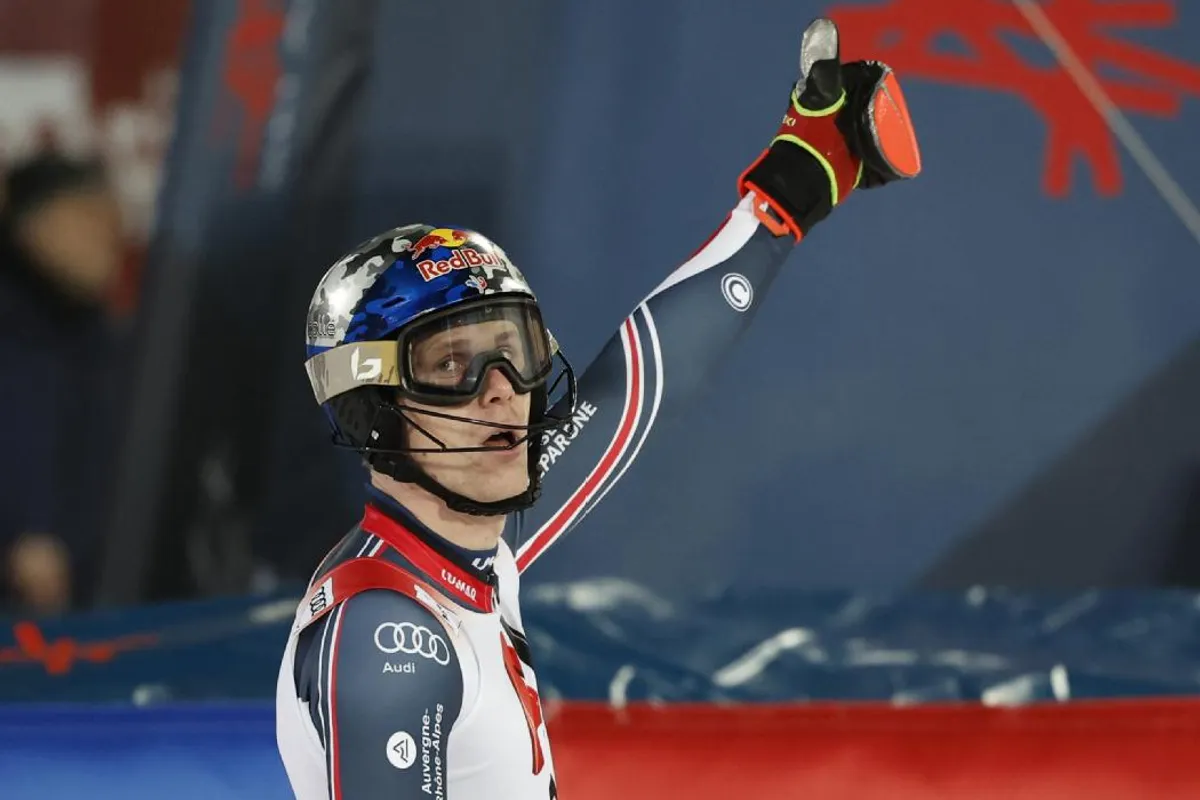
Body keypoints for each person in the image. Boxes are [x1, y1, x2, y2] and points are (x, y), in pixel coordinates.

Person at [276, 18, 922, 799]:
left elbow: (638, 390)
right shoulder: (392, 634)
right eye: (450, 365)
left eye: (513, 349)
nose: (502, 389)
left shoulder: (455, 556)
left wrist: (796, 185)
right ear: (371, 411)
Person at [0, 152, 126, 615]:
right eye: (85, 219)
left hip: (102, 589)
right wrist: (20, 537)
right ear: (32, 228)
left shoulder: (99, 336)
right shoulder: (14, 331)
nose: (107, 237)